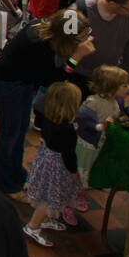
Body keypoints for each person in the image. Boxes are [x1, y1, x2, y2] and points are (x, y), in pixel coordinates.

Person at [0, 9, 96, 202]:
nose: (84, 40)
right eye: (80, 37)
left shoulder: (45, 30)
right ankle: (7, 185)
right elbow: (54, 79)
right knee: (10, 134)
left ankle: (17, 174)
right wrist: (76, 57)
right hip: (9, 84)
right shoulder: (40, 44)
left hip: (20, 82)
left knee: (19, 131)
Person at [21, 82, 83, 247]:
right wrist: (74, 171)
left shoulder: (48, 119)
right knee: (48, 199)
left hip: (46, 160)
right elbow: (69, 154)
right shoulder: (67, 129)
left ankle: (45, 220)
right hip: (58, 167)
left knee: (47, 194)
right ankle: (33, 226)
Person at [68, 0, 129, 86]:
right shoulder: (75, 12)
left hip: (108, 79)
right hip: (77, 77)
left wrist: (126, 83)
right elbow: (61, 56)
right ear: (113, 4)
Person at [75, 64, 129, 200]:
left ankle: (91, 182)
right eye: (125, 85)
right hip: (89, 142)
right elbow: (83, 122)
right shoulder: (93, 102)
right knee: (83, 167)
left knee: (95, 163)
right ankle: (75, 195)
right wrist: (100, 126)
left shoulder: (118, 101)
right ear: (111, 87)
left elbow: (117, 114)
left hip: (101, 141)